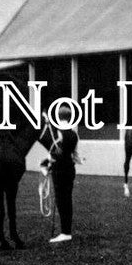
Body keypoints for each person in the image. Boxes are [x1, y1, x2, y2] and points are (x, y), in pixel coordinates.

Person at [47, 103, 79, 244]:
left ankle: (65, 232)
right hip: (70, 169)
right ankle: (67, 231)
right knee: (68, 200)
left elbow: (53, 154)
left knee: (61, 200)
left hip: (59, 170)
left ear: (58, 117)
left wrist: (48, 164)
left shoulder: (57, 134)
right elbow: (76, 155)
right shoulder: (74, 134)